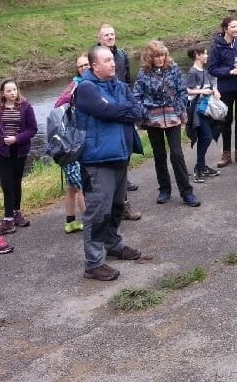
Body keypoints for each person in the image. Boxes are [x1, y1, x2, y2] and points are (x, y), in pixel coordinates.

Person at [75, 45, 146, 281]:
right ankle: (93, 263)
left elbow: (137, 111)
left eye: (112, 59)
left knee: (116, 206)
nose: (113, 63)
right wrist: (121, 109)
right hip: (97, 160)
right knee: (98, 212)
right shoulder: (86, 88)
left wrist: (119, 109)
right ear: (94, 66)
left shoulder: (119, 85)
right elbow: (107, 111)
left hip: (121, 154)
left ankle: (113, 243)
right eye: (106, 60)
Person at [133, 41, 200, 207]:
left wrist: (178, 108)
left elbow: (182, 92)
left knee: (177, 154)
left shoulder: (174, 69)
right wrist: (146, 113)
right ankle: (164, 189)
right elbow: (136, 96)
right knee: (159, 155)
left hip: (173, 117)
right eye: (156, 55)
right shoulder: (143, 73)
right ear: (150, 57)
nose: (160, 58)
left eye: (162, 55)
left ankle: (187, 192)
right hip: (152, 119)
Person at [96, 24, 143, 206]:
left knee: (127, 143)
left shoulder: (122, 54)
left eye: (112, 34)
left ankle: (124, 179)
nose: (110, 37)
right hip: (107, 106)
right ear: (100, 38)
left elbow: (128, 78)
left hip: (123, 101)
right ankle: (113, 188)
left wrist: (131, 99)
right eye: (106, 35)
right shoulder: (94, 55)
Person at [0, 79, 38, 234]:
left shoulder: (26, 107)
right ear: (3, 93)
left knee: (16, 182)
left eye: (14, 89)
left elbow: (32, 129)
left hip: (19, 150)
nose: (12, 93)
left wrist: (17, 138)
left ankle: (16, 213)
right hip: (3, 150)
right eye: (9, 91)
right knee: (6, 183)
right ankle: (8, 219)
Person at [207, 17, 237, 167]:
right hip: (226, 89)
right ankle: (226, 153)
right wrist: (229, 71)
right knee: (226, 120)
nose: (236, 29)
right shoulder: (216, 47)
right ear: (225, 29)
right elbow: (212, 69)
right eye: (233, 27)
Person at [53, 54, 90, 234]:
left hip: (72, 144)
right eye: (81, 65)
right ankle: (90, 222)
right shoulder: (76, 86)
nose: (84, 67)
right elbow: (58, 106)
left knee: (71, 186)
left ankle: (70, 222)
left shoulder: (81, 84)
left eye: (86, 64)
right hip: (71, 145)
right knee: (82, 185)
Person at [185, 45, 221, 184]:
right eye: (205, 54)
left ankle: (202, 166)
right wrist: (202, 92)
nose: (207, 56)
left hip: (207, 109)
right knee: (205, 137)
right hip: (197, 111)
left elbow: (211, 86)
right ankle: (198, 169)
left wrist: (215, 91)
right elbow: (188, 90)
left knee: (206, 137)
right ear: (197, 55)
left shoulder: (204, 72)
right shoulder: (193, 72)